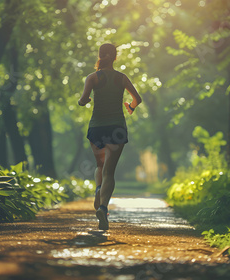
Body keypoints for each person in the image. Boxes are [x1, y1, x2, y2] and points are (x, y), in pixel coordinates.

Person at [77, 43, 142, 230]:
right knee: (109, 171)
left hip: (97, 128)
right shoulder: (122, 78)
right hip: (117, 128)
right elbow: (138, 98)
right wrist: (131, 106)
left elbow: (82, 101)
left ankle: (98, 190)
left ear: (99, 56)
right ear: (115, 57)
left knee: (99, 165)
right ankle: (103, 208)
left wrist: (86, 100)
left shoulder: (92, 78)